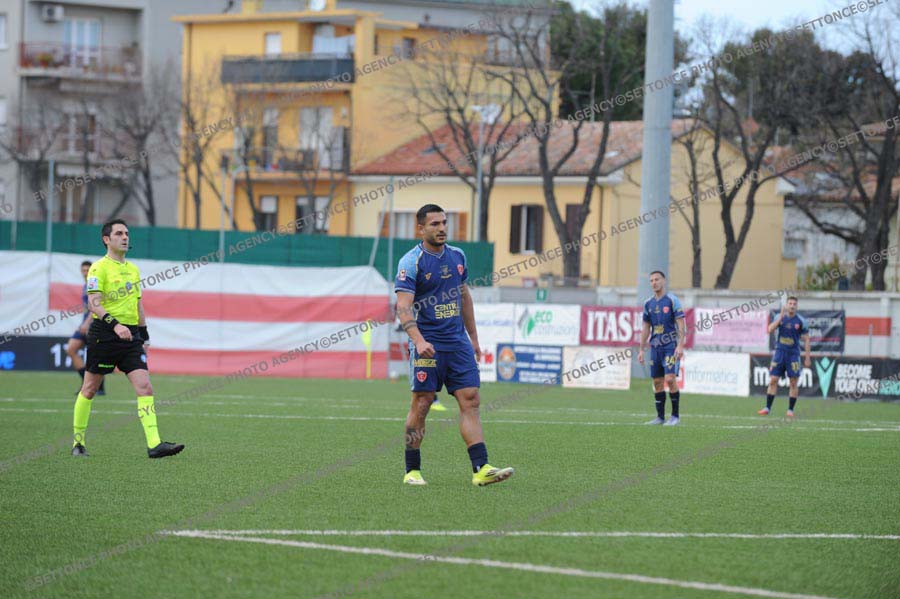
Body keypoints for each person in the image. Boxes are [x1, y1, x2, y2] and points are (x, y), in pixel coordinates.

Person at [395, 204, 513, 486]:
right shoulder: (411, 262)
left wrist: (473, 338)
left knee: (471, 399)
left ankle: (481, 469)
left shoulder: (458, 256)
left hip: (458, 343)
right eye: (434, 224)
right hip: (428, 344)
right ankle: (412, 470)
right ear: (421, 228)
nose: (442, 228)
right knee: (422, 403)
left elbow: (464, 297)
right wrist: (419, 341)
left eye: (444, 223)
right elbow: (403, 308)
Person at [71, 219, 184, 459]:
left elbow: (138, 304)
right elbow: (94, 304)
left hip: (131, 336)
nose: (125, 237)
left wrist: (144, 335)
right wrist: (116, 325)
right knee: (89, 389)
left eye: (127, 233)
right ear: (106, 239)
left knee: (145, 386)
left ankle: (154, 445)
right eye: (119, 233)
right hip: (104, 334)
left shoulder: (133, 269)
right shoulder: (98, 268)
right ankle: (78, 443)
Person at [638, 271, 686, 426]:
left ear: (663, 281)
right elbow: (646, 327)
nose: (654, 282)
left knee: (670, 379)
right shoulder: (648, 303)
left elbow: (681, 324)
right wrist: (641, 349)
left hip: (670, 347)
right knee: (657, 382)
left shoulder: (672, 300)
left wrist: (680, 345)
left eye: (657, 279)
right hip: (655, 348)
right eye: (651, 280)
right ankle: (660, 417)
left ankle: (675, 417)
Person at [759, 296, 810, 417]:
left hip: (793, 355)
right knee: (773, 380)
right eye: (790, 303)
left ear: (796, 306)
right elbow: (770, 329)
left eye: (794, 304)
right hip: (779, 353)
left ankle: (790, 410)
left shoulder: (801, 321)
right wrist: (781, 317)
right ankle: (767, 408)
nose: (792, 306)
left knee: (793, 382)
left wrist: (807, 358)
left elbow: (807, 339)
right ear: (786, 305)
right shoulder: (779, 317)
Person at [66, 261, 105, 396]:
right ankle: (87, 384)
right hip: (85, 324)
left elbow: (95, 306)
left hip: (94, 324)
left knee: (95, 355)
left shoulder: (95, 284)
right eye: (83, 270)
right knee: (71, 349)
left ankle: (98, 387)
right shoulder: (85, 285)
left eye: (87, 270)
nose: (85, 273)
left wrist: (87, 323)